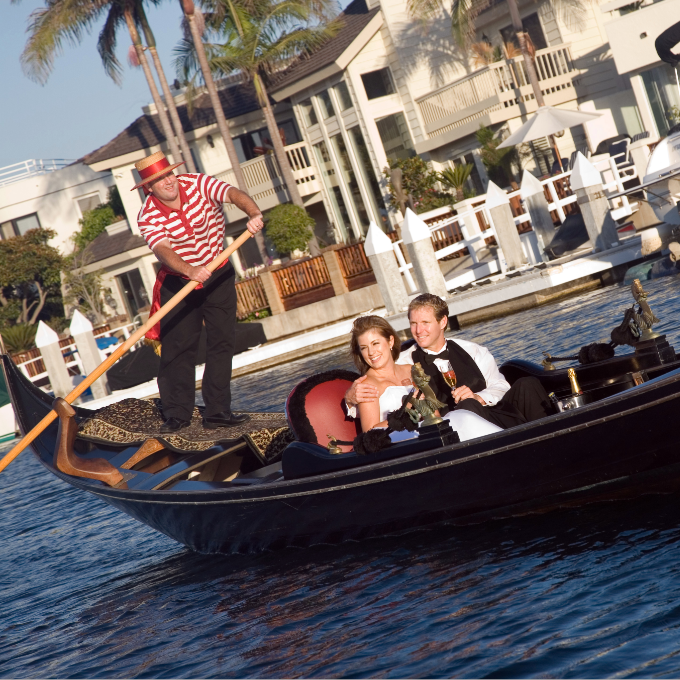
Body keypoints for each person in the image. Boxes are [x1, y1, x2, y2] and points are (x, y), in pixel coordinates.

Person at [133, 151, 265, 433]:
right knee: (178, 350)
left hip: (218, 274)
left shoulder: (197, 183)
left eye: (169, 174)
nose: (168, 182)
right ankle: (177, 415)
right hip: (179, 282)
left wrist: (253, 213)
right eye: (159, 180)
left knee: (222, 342)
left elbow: (233, 193)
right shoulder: (148, 215)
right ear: (149, 188)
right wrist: (190, 270)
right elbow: (162, 250)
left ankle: (218, 412)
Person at [345, 294, 553, 430]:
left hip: (494, 411)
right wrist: (350, 399)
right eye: (414, 324)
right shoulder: (405, 361)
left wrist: (479, 397)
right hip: (459, 426)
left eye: (425, 323)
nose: (418, 331)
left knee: (528, 384)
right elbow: (379, 372)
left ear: (442, 322)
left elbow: (501, 386)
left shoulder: (473, 350)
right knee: (467, 407)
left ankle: (551, 435)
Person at [349, 315, 503, 441]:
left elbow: (433, 412)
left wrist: (426, 412)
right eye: (364, 348)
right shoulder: (366, 384)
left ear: (390, 341)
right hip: (398, 440)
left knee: (463, 416)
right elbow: (370, 434)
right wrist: (407, 414)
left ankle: (502, 442)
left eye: (375, 343)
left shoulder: (411, 370)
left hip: (428, 430)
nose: (371, 352)